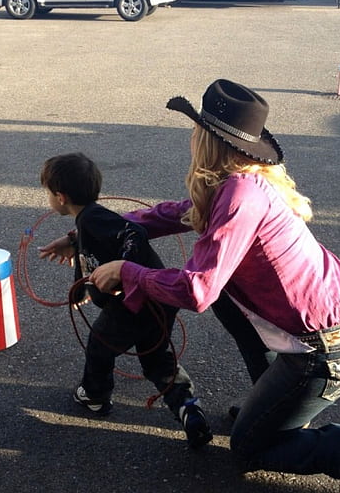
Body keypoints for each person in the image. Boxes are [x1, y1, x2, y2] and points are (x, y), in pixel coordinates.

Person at [89, 80, 340, 492]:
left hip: (328, 347)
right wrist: (94, 230)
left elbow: (197, 291)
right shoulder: (241, 180)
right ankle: (270, 401)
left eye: (196, 128)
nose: (191, 136)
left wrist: (128, 273)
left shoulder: (240, 195)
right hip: (336, 317)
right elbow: (178, 213)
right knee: (228, 301)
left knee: (251, 448)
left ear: (208, 140)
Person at [37, 152, 212, 449]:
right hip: (157, 301)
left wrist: (126, 271)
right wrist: (81, 291)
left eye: (48, 194)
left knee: (99, 347)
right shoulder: (88, 222)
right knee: (156, 360)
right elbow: (85, 256)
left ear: (60, 197)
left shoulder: (93, 218)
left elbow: (134, 232)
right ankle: (187, 408)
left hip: (133, 304)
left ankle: (94, 395)